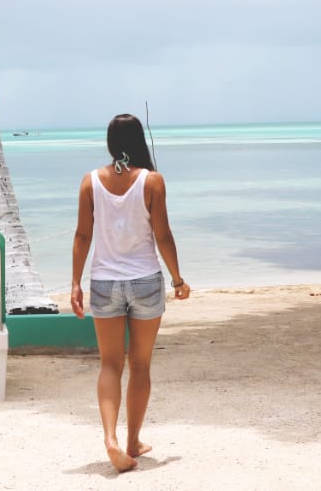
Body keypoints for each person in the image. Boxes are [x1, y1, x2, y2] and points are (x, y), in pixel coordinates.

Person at [70, 113, 191, 473]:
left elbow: (82, 236)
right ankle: (133, 441)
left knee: (110, 364)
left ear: (110, 143)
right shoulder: (152, 181)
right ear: (140, 140)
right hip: (145, 282)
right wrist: (178, 279)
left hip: (104, 283)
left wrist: (75, 282)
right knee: (140, 365)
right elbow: (163, 235)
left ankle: (111, 439)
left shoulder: (90, 182)